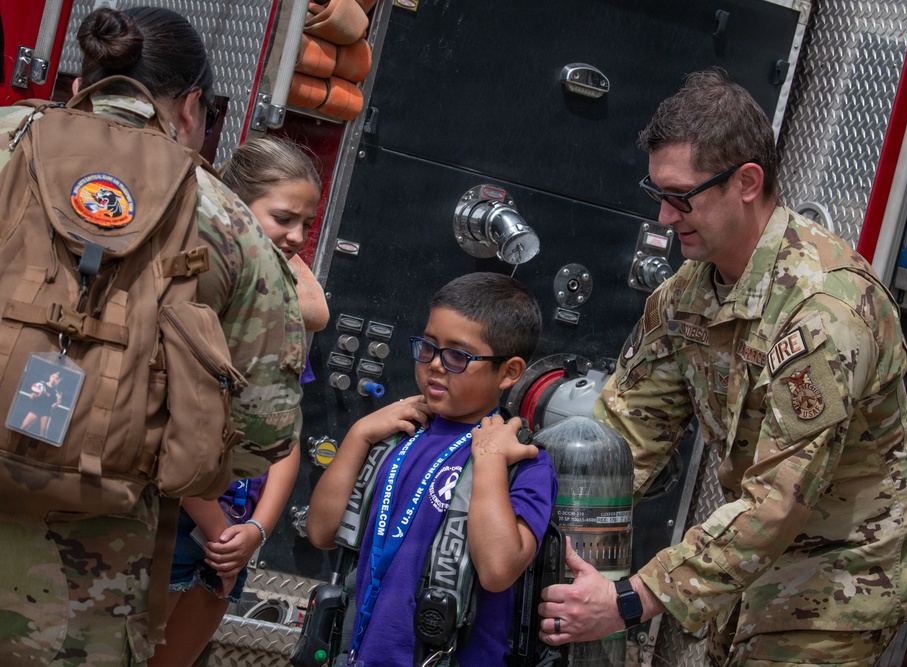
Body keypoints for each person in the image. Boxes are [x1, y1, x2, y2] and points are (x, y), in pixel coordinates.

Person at [538, 68, 907, 667]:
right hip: (746, 576)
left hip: (837, 590)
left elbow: (781, 500)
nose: (665, 219)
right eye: (657, 196)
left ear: (747, 181)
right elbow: (623, 438)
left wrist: (628, 600)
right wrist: (527, 509)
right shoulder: (686, 296)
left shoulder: (826, 309)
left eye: (680, 197)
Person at [0, 7, 304, 666]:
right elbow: (259, 436)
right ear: (192, 106)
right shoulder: (228, 223)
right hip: (85, 601)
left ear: (88, 72)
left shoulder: (4, 143)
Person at [306, 272, 558, 665]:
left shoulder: (523, 461)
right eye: (427, 346)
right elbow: (321, 532)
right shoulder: (397, 435)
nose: (435, 365)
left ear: (509, 372)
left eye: (458, 355)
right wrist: (357, 436)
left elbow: (497, 570)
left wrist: (489, 461)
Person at [149, 136, 327, 667]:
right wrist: (217, 528)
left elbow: (285, 428)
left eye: (307, 225)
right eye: (284, 218)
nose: (296, 238)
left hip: (233, 540)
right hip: (182, 523)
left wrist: (256, 530)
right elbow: (165, 427)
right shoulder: (196, 299)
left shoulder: (276, 317)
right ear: (230, 206)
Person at [19, 370, 62, 439]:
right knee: (23, 427)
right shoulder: (41, 384)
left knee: (43, 433)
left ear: (58, 381)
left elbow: (52, 407)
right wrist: (33, 395)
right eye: (53, 377)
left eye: (56, 379)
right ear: (50, 376)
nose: (54, 379)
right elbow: (32, 396)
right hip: (36, 408)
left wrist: (57, 403)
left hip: (46, 412)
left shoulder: (56, 392)